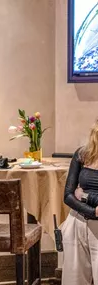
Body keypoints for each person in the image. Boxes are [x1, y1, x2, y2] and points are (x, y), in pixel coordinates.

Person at [63, 120, 98, 285]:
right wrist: (93, 211)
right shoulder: (82, 154)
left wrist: (84, 196)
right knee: (74, 281)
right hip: (78, 222)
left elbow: (78, 194)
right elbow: (68, 195)